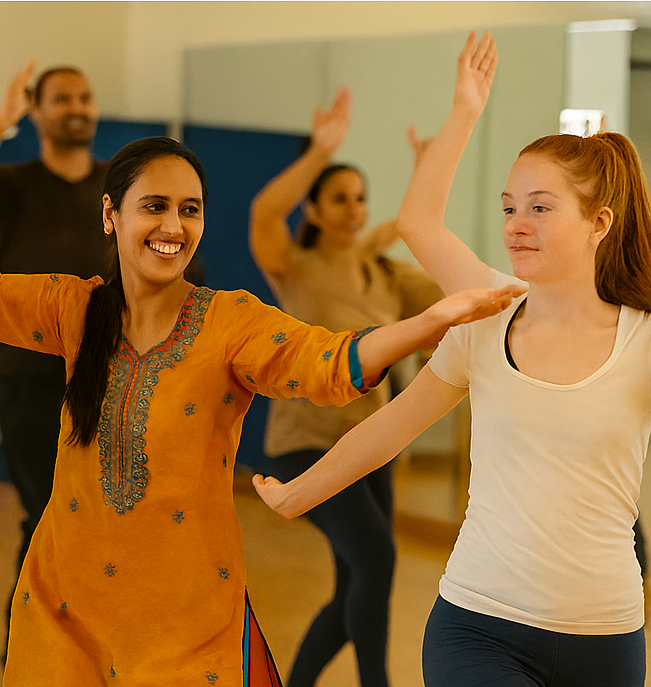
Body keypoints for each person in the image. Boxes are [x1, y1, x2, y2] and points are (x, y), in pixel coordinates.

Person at [0, 67, 520, 684]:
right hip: (65, 608)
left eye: (190, 209)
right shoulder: (74, 309)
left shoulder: (230, 321)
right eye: (155, 206)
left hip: (188, 621)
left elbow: (330, 363)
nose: (174, 225)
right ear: (111, 215)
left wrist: (433, 321)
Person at [254, 31, 650, 687]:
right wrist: (301, 492)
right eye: (509, 207)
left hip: (607, 636)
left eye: (541, 208)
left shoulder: (641, 342)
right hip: (478, 624)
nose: (516, 224)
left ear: (599, 223)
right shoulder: (488, 312)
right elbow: (391, 424)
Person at [249, 88, 442, 687]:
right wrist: (320, 151)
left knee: (361, 579)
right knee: (377, 560)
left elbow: (449, 294)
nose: (353, 208)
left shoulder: (385, 273)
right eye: (338, 198)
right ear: (312, 210)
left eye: (359, 198)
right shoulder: (294, 267)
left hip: (371, 446)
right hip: (307, 445)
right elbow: (262, 214)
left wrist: (428, 171)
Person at [0, 60, 110, 640]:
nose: (77, 108)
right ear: (36, 112)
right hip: (24, 377)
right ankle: (27, 651)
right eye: (62, 99)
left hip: (104, 373)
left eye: (84, 97)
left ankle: (84, 649)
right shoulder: (14, 184)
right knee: (47, 513)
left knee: (98, 519)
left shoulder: (117, 186)